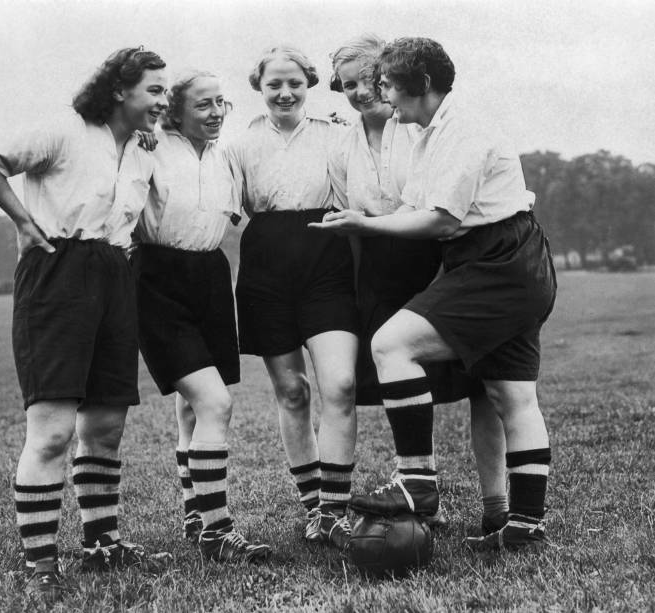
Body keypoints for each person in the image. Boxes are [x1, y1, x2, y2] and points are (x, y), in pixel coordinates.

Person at [311, 37, 557, 550]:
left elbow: (441, 219)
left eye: (387, 87)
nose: (383, 98)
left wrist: (364, 224)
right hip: (498, 258)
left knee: (390, 344)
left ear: (420, 85)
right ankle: (524, 526)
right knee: (511, 393)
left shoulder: (463, 130)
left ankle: (416, 484)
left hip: (498, 259)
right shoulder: (425, 129)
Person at [0, 47, 171, 601]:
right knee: (52, 431)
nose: (163, 100)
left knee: (104, 426)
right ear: (120, 89)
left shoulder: (143, 150)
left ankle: (102, 545)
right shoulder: (65, 128)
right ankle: (40, 564)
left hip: (115, 273)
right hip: (58, 271)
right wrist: (23, 222)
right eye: (154, 90)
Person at [131, 70, 271, 563]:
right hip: (156, 278)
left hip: (211, 276)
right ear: (175, 110)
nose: (215, 114)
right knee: (214, 402)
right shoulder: (146, 146)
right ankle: (217, 530)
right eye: (203, 105)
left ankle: (195, 512)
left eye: (221, 104)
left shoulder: (225, 157)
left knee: (194, 405)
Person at [226, 46, 358, 550]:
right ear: (258, 88)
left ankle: (335, 509)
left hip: (325, 257)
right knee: (293, 392)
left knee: (341, 383)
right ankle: (313, 509)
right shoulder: (238, 143)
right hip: (265, 264)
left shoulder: (336, 132)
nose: (284, 93)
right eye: (273, 85)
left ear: (310, 84)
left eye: (295, 83)